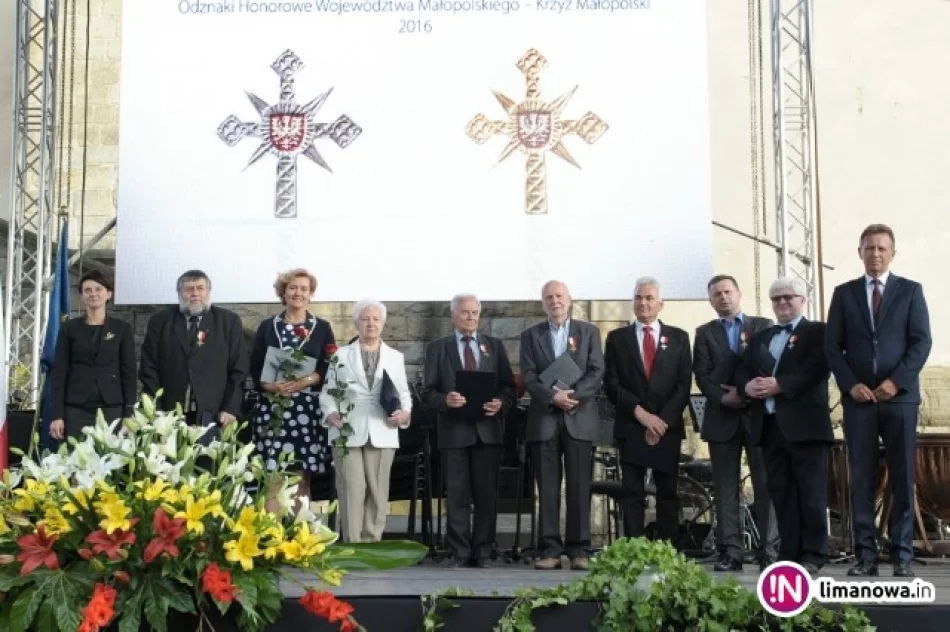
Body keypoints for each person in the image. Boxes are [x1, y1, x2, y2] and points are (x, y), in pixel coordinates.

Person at [825, 224, 932, 578]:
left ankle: (902, 555)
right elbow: (832, 348)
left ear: (892, 253)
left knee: (902, 478)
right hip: (859, 401)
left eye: (882, 248)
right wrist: (851, 384)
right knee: (862, 479)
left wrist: (895, 382)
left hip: (900, 400)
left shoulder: (911, 292)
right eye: (869, 248)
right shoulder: (844, 294)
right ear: (860, 252)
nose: (875, 254)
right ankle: (866, 556)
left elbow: (921, 343)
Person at [737, 277, 833, 574]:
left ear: (803, 300)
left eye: (788, 297)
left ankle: (815, 554)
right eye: (776, 298)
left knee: (811, 493)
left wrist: (780, 384)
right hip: (769, 426)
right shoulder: (762, 337)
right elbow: (742, 369)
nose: (782, 303)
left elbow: (817, 367)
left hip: (805, 427)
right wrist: (747, 386)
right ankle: (789, 554)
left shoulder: (817, 331)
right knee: (782, 494)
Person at [421, 293, 516, 567]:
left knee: (486, 494)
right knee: (458, 494)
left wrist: (501, 403)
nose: (471, 318)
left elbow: (508, 387)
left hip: (487, 431)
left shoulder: (494, 347)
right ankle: (459, 551)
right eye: (465, 313)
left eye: (475, 313)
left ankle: (483, 551)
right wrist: (445, 400)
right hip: (454, 431)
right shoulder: (438, 348)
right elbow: (427, 392)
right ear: (453, 315)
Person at [693, 274, 779, 571]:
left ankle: (769, 550)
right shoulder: (704, 333)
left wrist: (744, 391)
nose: (723, 297)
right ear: (711, 300)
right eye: (716, 294)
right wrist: (722, 397)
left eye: (728, 291)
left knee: (766, 483)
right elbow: (702, 375)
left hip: (758, 416)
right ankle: (732, 551)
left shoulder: (762, 326)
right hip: (722, 417)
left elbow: (770, 363)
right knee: (725, 487)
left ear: (739, 293)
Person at [520, 280, 604, 570]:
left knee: (580, 486)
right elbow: (529, 376)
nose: (554, 301)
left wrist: (574, 397)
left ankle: (579, 550)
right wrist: (553, 397)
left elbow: (596, 371)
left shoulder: (589, 332)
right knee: (548, 487)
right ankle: (550, 551)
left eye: (559, 296)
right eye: (548, 297)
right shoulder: (531, 336)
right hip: (544, 419)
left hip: (579, 419)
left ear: (569, 300)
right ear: (543, 303)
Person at [604, 277, 691, 542]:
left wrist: (660, 421)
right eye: (639, 297)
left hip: (667, 427)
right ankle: (634, 550)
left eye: (649, 298)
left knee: (667, 492)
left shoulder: (678, 338)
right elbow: (612, 383)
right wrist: (642, 415)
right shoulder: (617, 338)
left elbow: (683, 384)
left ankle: (668, 550)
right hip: (632, 425)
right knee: (632, 492)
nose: (643, 302)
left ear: (661, 304)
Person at [320, 299, 412, 543]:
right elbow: (328, 392)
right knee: (351, 489)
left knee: (378, 490)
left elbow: (403, 394)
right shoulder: (341, 355)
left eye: (375, 319)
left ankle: (372, 542)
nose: (371, 323)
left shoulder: (395, 357)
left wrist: (404, 414)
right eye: (365, 318)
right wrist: (330, 412)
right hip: (347, 429)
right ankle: (352, 543)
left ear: (383, 323)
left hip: (383, 428)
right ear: (357, 323)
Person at [249, 268, 336, 512]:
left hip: (305, 412)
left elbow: (330, 365)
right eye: (293, 288)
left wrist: (306, 380)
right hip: (273, 410)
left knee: (300, 476)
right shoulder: (267, 327)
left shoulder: (322, 328)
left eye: (304, 289)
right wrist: (270, 386)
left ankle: (299, 539)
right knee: (274, 474)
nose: (298, 293)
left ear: (311, 295)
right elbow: (255, 367)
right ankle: (272, 537)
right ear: (283, 292)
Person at [139, 269, 247, 427]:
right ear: (179, 293)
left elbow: (238, 369)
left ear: (208, 292)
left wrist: (230, 408)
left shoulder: (228, 322)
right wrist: (155, 408)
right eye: (189, 289)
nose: (195, 293)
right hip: (168, 414)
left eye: (200, 288)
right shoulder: (160, 322)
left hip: (215, 413)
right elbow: (149, 368)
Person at [49, 271, 136, 440]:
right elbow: (59, 372)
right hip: (76, 409)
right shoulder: (69, 328)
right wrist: (57, 415)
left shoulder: (122, 329)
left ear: (108, 294)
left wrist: (129, 413)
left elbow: (129, 372)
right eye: (87, 290)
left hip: (112, 408)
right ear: (81, 295)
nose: (93, 294)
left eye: (98, 289)